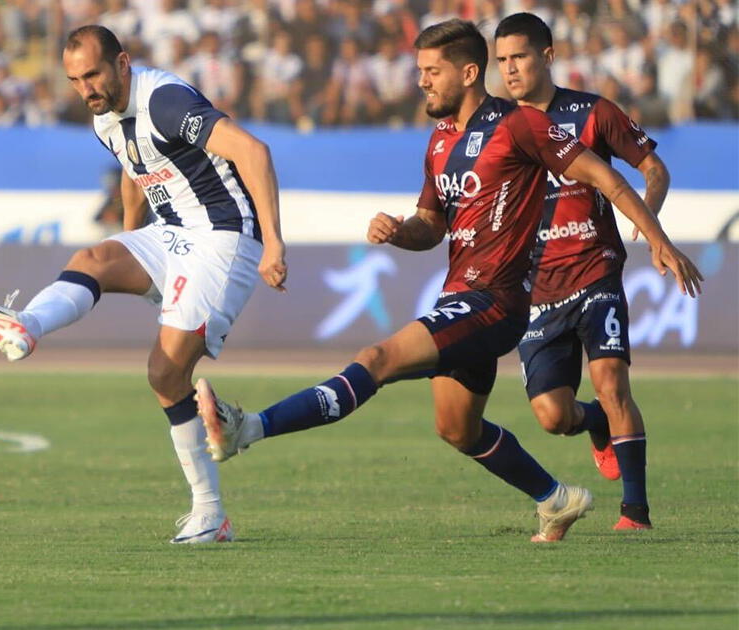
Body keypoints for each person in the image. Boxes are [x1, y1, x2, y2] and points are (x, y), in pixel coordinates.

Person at [194, 19, 702, 543]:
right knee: (456, 428)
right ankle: (556, 499)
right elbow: (432, 226)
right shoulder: (439, 141)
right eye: (419, 71)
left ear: (467, 72)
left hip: (496, 302)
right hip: (460, 295)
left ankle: (245, 428)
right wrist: (399, 231)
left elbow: (607, 177)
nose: (421, 82)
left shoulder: (520, 124)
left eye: (432, 71)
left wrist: (658, 239)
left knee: (377, 360)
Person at [0, 25, 286, 544]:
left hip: (225, 237)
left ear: (122, 64)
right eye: (74, 80)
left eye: (93, 75)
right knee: (96, 257)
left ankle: (211, 514)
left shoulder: (166, 102)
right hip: (173, 234)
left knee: (165, 375)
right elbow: (136, 168)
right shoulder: (104, 116)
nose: (85, 89)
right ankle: (24, 326)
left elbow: (254, 152)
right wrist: (132, 243)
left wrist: (275, 245)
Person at [494, 12, 687, 531]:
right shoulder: (498, 129)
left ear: (548, 56)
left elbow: (653, 169)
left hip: (596, 270)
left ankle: (636, 514)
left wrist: (650, 229)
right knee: (554, 418)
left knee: (612, 384)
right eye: (502, 61)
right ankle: (595, 425)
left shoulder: (593, 113)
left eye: (520, 57)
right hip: (536, 289)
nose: (511, 70)